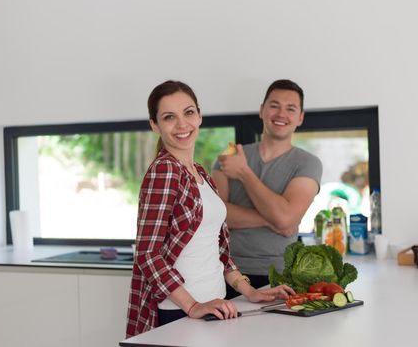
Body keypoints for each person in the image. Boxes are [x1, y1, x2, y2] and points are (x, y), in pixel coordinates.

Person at [126, 80, 294, 338]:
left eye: (188, 112)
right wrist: (192, 305)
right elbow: (148, 254)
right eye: (169, 117)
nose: (182, 124)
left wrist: (250, 292)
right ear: (155, 125)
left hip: (215, 304)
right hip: (180, 310)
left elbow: (217, 249)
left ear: (199, 116)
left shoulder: (200, 172)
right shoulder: (164, 170)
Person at [212, 79, 322, 298]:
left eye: (290, 108)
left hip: (280, 275)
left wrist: (244, 172)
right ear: (262, 110)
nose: (281, 114)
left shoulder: (308, 163)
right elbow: (215, 216)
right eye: (274, 105)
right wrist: (274, 220)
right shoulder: (230, 154)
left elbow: (285, 218)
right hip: (228, 273)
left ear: (300, 117)